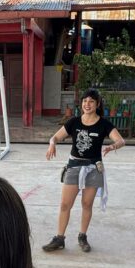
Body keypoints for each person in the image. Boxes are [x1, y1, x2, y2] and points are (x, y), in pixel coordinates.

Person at [41, 89, 125, 253]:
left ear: (97, 104)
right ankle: (59, 238)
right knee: (65, 204)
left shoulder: (104, 124)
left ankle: (82, 236)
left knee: (87, 204)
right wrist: (52, 144)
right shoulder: (74, 122)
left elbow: (121, 140)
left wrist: (112, 146)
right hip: (74, 166)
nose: (87, 104)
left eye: (91, 101)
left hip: (94, 168)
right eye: (85, 101)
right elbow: (55, 137)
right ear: (81, 103)